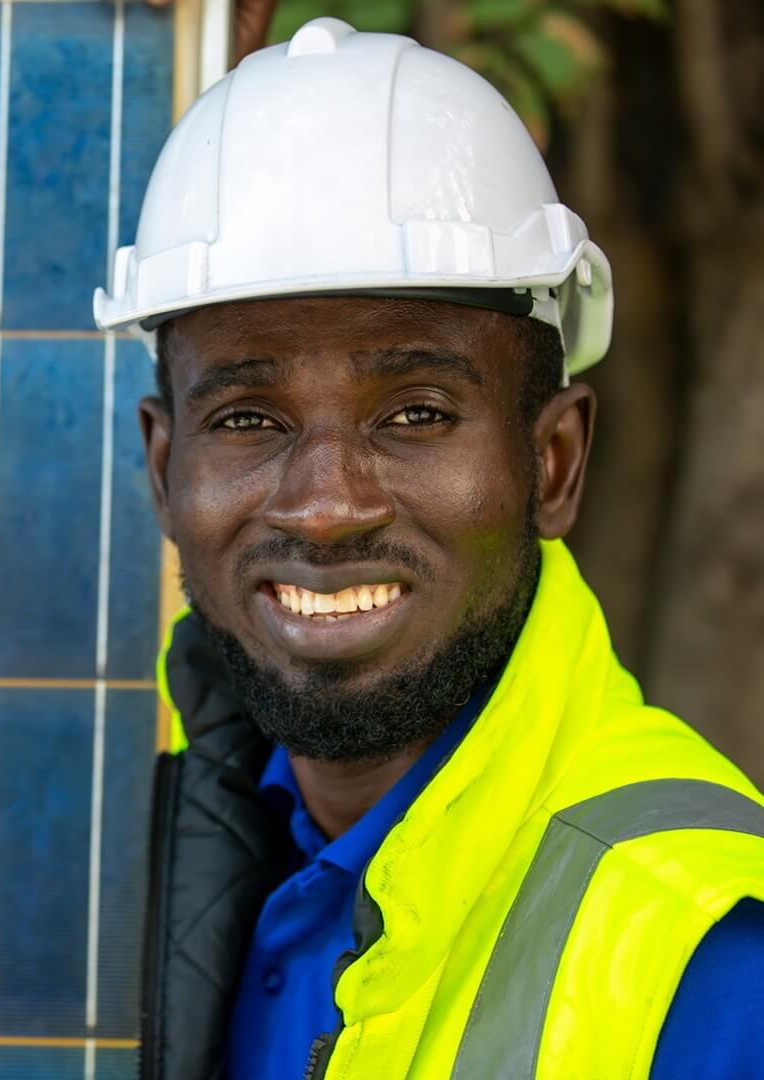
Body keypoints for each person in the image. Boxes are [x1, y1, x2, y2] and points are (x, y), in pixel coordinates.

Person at [94, 19, 764, 1079]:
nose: (325, 508)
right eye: (249, 420)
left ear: (553, 463)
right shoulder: (128, 840)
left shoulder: (713, 963)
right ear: (165, 469)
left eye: (414, 414)